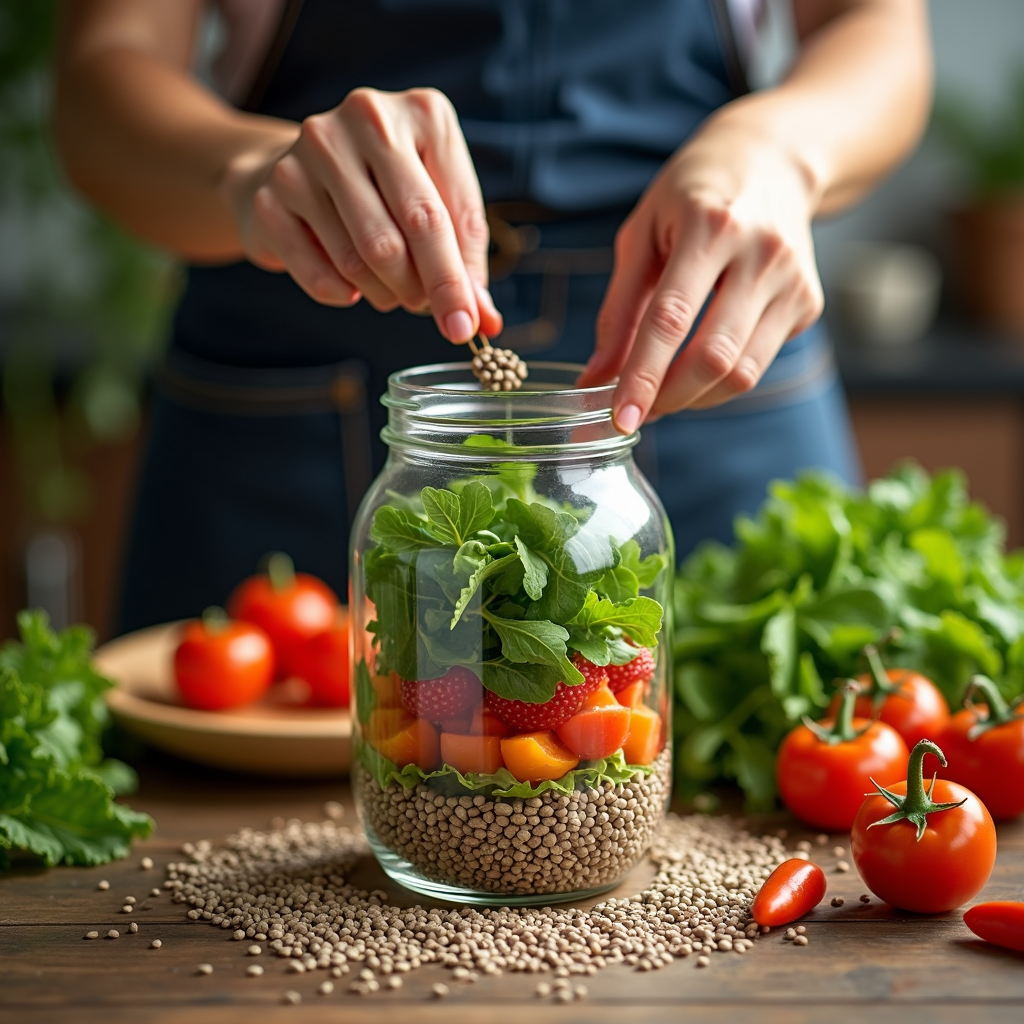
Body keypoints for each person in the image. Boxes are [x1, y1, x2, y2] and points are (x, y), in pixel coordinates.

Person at [53, 0, 932, 633]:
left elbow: (879, 25)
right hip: (295, 376)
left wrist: (780, 151)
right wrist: (250, 173)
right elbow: (106, 66)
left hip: (704, 340)